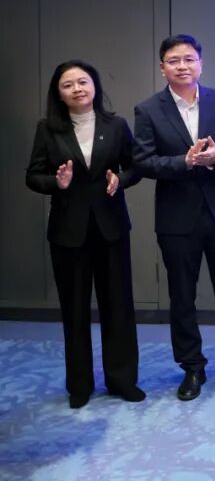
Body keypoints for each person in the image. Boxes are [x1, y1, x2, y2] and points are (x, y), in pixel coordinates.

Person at [133, 34, 215, 400]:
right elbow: (143, 162)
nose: (182, 66)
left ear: (200, 63)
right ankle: (192, 366)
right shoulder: (148, 110)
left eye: (189, 59)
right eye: (174, 60)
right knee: (182, 296)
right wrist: (183, 162)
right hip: (176, 217)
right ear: (162, 68)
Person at [25, 60, 144, 408]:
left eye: (83, 81)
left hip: (111, 227)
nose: (77, 88)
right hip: (68, 231)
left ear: (94, 86)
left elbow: (135, 166)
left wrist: (120, 178)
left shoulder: (116, 125)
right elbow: (33, 176)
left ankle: (122, 379)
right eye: (68, 85)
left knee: (117, 306)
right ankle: (79, 385)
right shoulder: (48, 129)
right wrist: (56, 182)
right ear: (59, 94)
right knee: (74, 309)